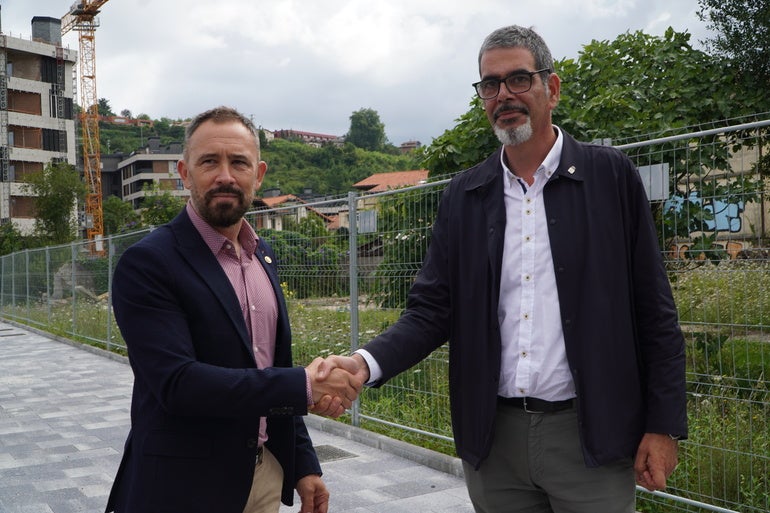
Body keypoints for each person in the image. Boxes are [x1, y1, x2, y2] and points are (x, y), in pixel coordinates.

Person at [320, 25, 687, 513]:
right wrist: (364, 364)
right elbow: (431, 312)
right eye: (490, 84)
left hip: (592, 437)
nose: (504, 95)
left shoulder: (610, 177)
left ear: (551, 88)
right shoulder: (465, 195)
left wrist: (662, 425)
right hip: (494, 443)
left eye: (519, 79)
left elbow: (654, 311)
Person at [105, 106, 362, 513]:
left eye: (238, 162)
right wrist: (304, 386)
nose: (225, 175)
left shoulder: (263, 256)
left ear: (257, 175)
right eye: (209, 161)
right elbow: (178, 384)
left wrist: (303, 465)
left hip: (262, 477)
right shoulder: (149, 264)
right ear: (184, 172)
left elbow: (269, 366)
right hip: (183, 489)